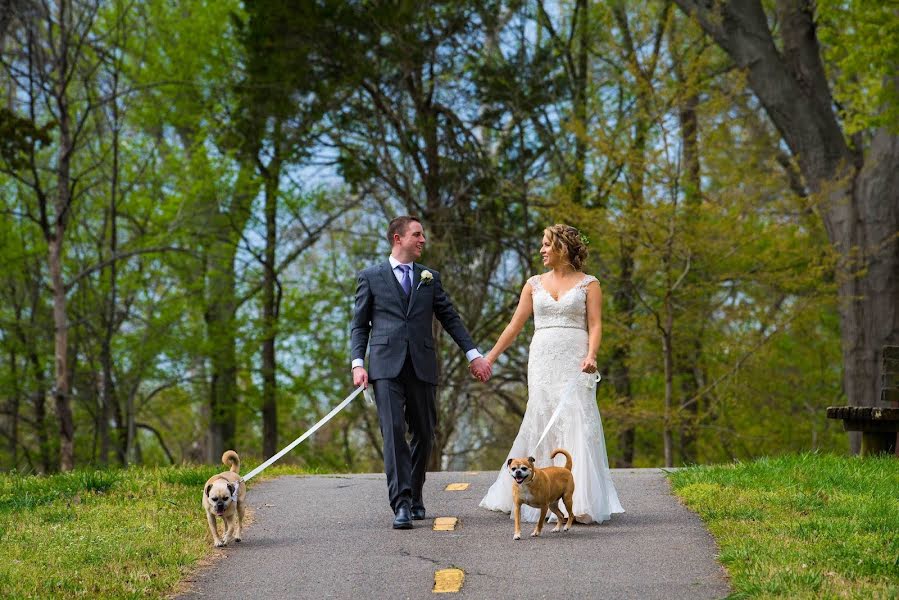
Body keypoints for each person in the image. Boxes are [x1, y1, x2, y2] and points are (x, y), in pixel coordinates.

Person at [351, 216, 492, 529]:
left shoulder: (430, 278)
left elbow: (450, 318)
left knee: (425, 433)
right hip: (385, 367)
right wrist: (358, 364)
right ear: (398, 239)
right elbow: (360, 325)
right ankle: (401, 503)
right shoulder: (371, 277)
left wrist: (474, 355)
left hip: (422, 364)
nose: (423, 240)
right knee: (393, 433)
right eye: (417, 235)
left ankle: (415, 493)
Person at [479, 224, 623, 524]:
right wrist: (489, 357)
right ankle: (532, 492)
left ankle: (579, 498)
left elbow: (596, 325)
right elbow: (514, 326)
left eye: (547, 245)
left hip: (576, 358)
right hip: (542, 358)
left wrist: (591, 355)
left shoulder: (589, 284)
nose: (542, 250)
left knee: (577, 419)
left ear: (563, 247)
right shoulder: (533, 284)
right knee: (541, 414)